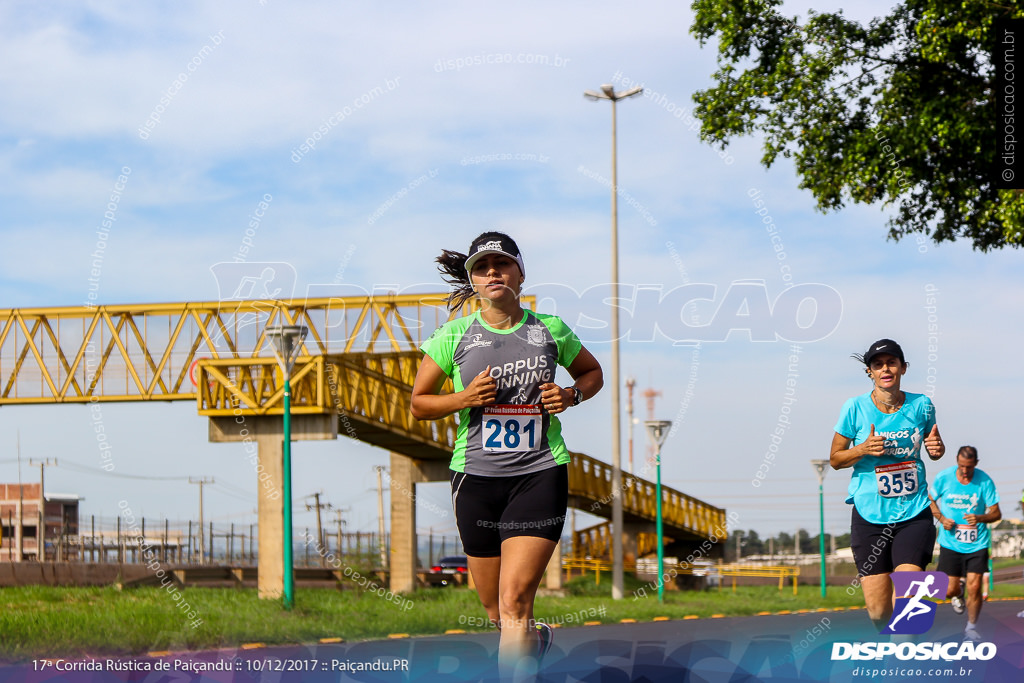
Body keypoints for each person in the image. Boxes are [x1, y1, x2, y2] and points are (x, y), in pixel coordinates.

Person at [410, 231, 603, 676]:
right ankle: (534, 641)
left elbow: (592, 373)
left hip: (539, 471)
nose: (492, 273)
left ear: (520, 274)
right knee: (496, 610)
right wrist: (463, 398)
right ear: (472, 280)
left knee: (516, 600)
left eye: (502, 265)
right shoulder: (453, 335)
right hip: (476, 477)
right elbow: (420, 403)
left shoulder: (549, 329)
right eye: (482, 267)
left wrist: (571, 395)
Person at [829, 338, 945, 631]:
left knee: (910, 598)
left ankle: (906, 657)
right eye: (878, 365)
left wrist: (937, 448)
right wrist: (862, 449)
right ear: (870, 372)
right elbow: (835, 459)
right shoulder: (854, 407)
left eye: (891, 363)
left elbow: (934, 447)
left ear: (903, 368)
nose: (885, 369)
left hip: (914, 512)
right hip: (870, 514)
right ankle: (894, 645)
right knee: (879, 610)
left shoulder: (922, 405)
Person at [929, 445, 1001, 641]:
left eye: (969, 467)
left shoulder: (984, 481)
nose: (965, 471)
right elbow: (930, 500)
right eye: (961, 466)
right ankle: (957, 594)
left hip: (977, 543)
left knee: (975, 586)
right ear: (956, 461)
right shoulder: (944, 477)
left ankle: (971, 627)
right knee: (948, 590)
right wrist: (942, 519)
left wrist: (979, 517)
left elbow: (996, 513)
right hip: (951, 543)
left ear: (975, 464)